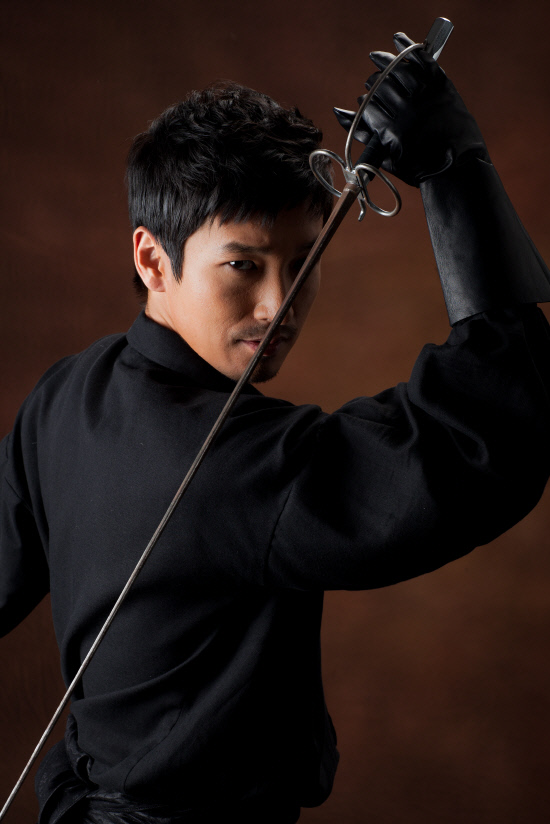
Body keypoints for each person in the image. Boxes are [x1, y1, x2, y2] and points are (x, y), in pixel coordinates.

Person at [2, 30, 550, 824]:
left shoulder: (64, 391)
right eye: (243, 265)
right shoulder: (240, 461)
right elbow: (483, 442)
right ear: (152, 261)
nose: (278, 303)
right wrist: (454, 170)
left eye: (302, 261)